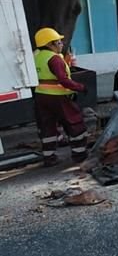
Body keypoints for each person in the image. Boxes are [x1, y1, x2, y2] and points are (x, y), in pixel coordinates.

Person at [33, 28, 88, 166]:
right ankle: (79, 154)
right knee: (75, 124)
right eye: (58, 41)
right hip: (59, 97)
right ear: (50, 44)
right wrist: (80, 87)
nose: (61, 44)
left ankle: (49, 157)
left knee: (48, 127)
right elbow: (63, 80)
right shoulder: (54, 59)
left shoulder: (36, 55)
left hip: (41, 96)